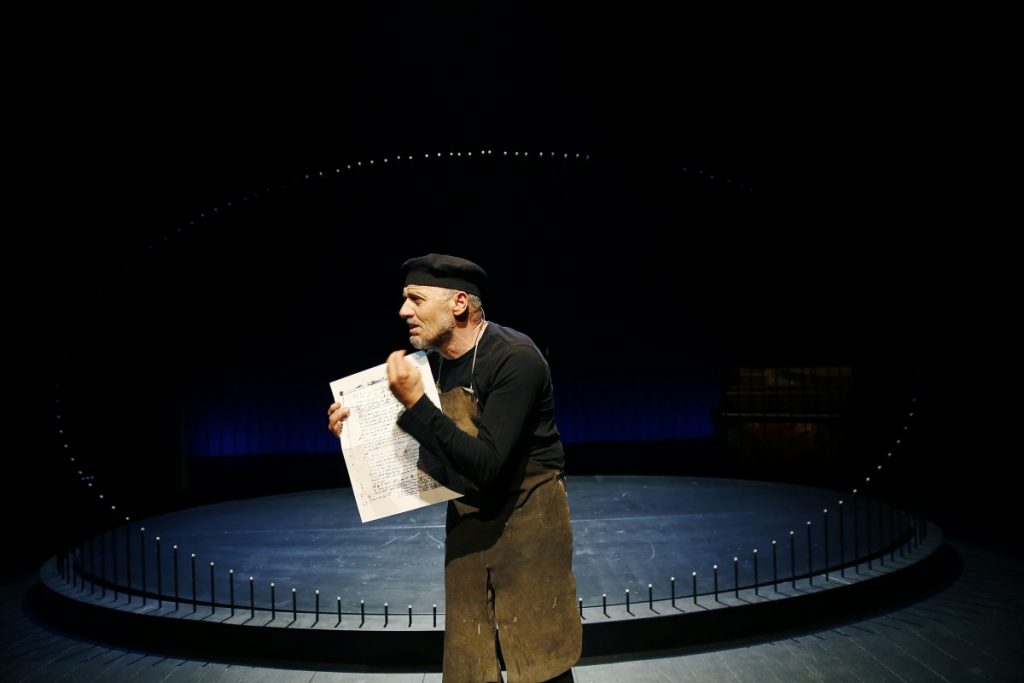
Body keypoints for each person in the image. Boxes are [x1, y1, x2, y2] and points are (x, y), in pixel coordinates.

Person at [327, 253, 581, 683]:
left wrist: (415, 403)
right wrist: (354, 432)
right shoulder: (435, 366)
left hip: (528, 523)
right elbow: (430, 442)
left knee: (538, 657)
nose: (403, 311)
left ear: (459, 303)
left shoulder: (516, 358)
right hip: (469, 524)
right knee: (470, 659)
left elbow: (488, 465)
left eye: (416, 299)